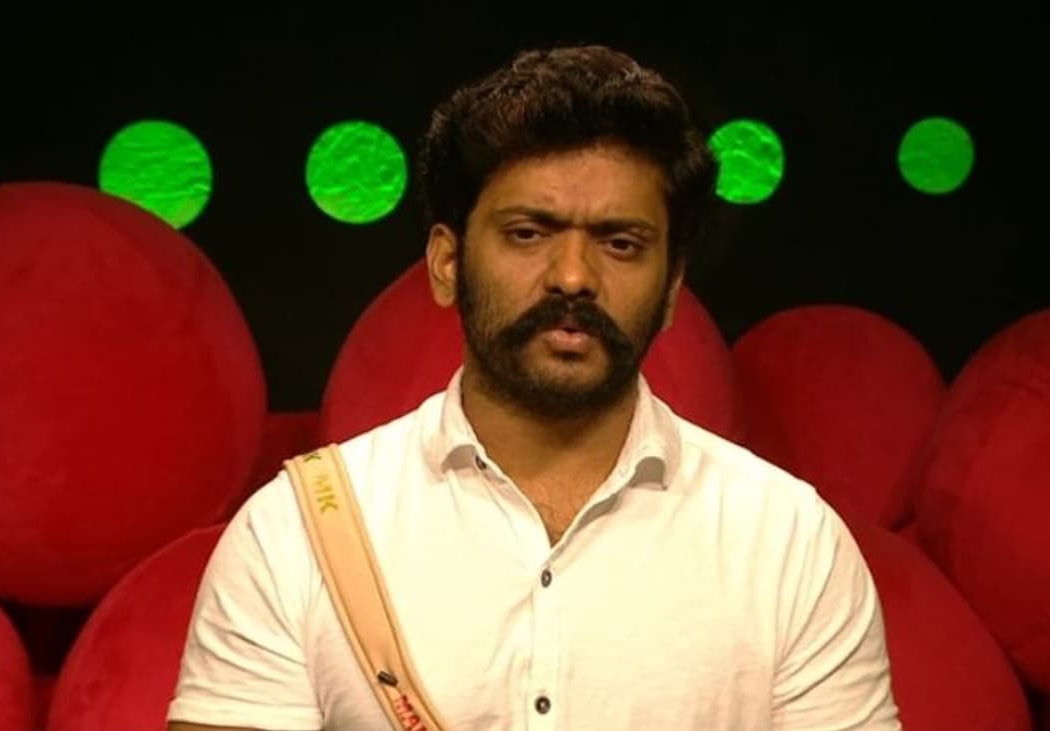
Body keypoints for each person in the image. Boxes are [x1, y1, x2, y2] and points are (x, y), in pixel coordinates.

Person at [166, 44, 900, 730]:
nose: (573, 277)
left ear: (673, 287)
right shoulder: (295, 531)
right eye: (528, 232)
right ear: (447, 262)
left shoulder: (790, 542)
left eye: (621, 243)